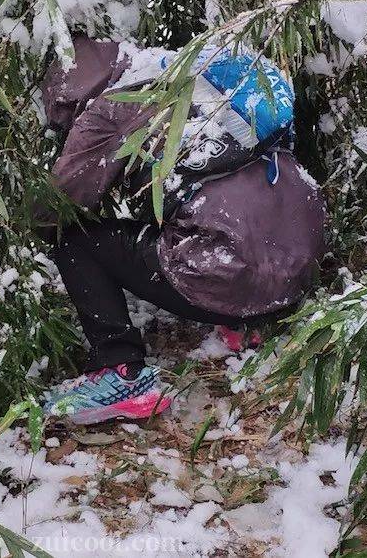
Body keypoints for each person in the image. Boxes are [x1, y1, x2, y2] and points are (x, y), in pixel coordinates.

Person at [37, 35, 325, 425]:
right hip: (299, 266)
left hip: (234, 273)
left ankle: (120, 373)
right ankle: (249, 321)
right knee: (186, 209)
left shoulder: (111, 108)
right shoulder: (189, 74)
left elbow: (56, 207)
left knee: (76, 241)